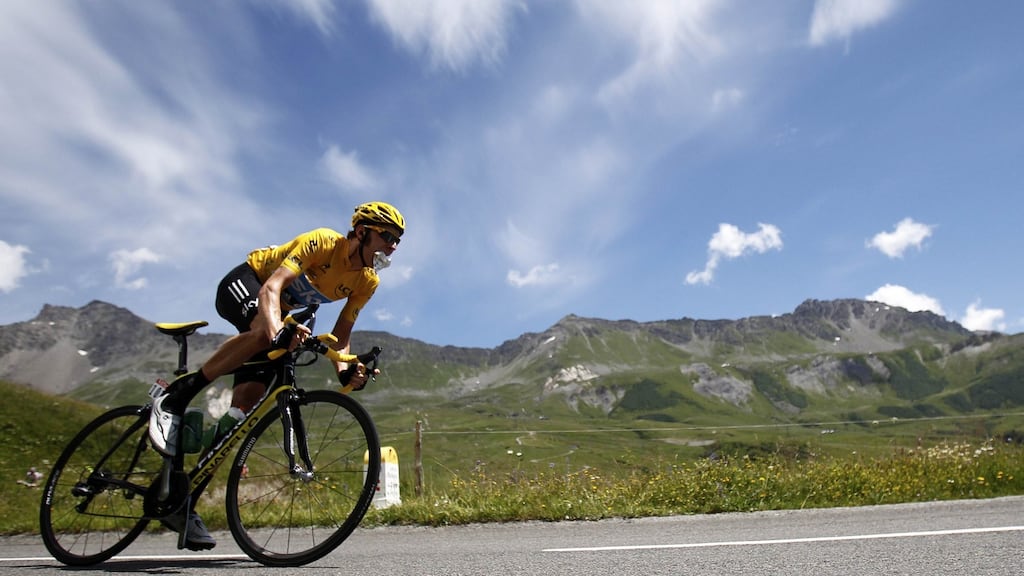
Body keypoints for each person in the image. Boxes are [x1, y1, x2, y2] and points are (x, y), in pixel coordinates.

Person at [149, 201, 405, 549]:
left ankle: (182, 496)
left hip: (283, 307)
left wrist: (347, 371)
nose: (392, 246)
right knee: (264, 333)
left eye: (397, 241)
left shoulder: (366, 282)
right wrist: (275, 330)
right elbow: (271, 289)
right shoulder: (323, 243)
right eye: (387, 236)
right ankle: (180, 393)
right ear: (361, 232)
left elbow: (341, 337)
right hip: (249, 282)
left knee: (244, 408)